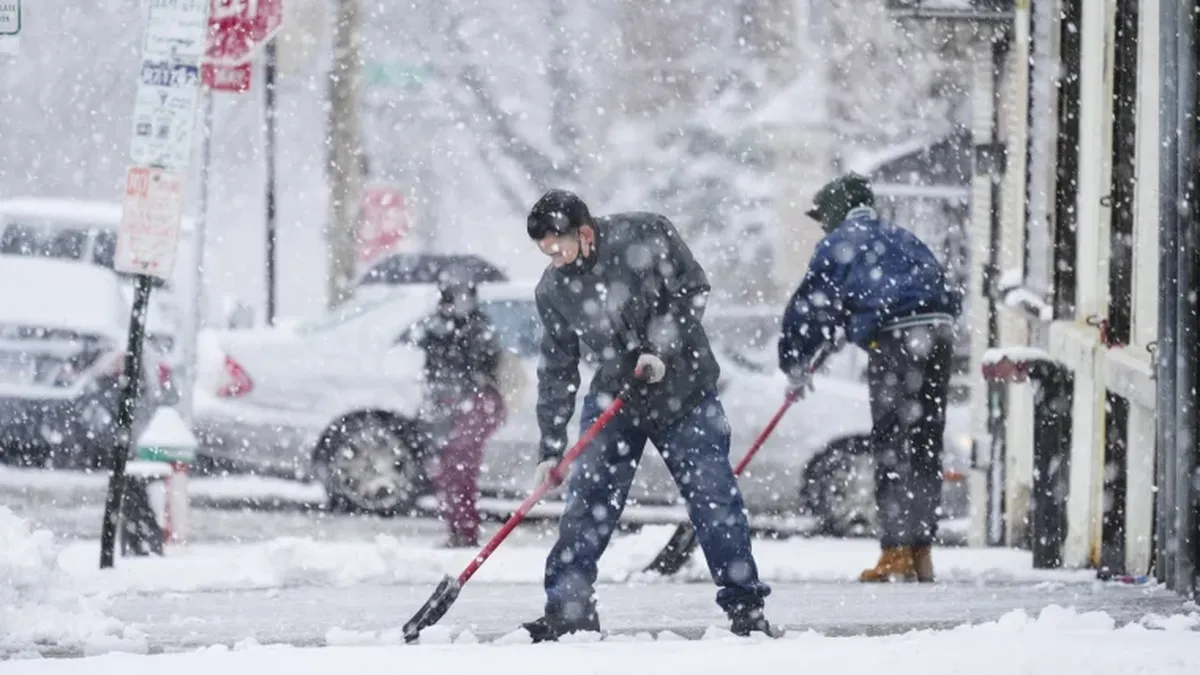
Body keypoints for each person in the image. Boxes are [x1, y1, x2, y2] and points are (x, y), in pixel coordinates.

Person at [521, 189, 773, 642]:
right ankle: (568, 610)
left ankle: (745, 608)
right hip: (617, 399)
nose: (555, 259)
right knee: (588, 503)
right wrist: (550, 448)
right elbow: (557, 370)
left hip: (684, 392)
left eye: (559, 247)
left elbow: (692, 288)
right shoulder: (553, 290)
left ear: (585, 232)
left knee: (713, 499)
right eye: (545, 251)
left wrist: (661, 349)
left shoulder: (645, 233)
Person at [778, 173, 962, 583]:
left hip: (898, 343)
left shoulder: (839, 243)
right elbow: (934, 290)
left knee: (892, 444)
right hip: (938, 336)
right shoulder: (902, 237)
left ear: (836, 212)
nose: (823, 226)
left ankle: (895, 552)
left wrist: (796, 362)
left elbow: (810, 309)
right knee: (925, 443)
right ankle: (920, 549)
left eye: (823, 217)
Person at [417, 269, 507, 548]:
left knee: (461, 468)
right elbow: (431, 363)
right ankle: (456, 528)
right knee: (445, 469)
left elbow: (482, 364)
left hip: (473, 402)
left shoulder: (478, 328)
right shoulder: (436, 327)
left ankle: (465, 530)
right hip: (447, 403)